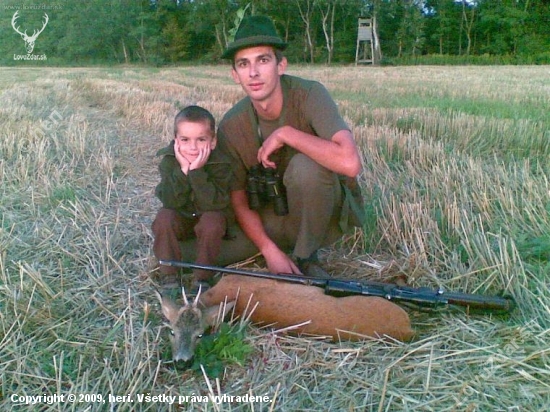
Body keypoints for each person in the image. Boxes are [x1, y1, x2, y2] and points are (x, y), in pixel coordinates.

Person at [217, 15, 365, 276]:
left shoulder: (310, 95)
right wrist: (268, 250)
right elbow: (238, 198)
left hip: (320, 211)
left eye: (263, 60)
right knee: (189, 254)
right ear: (235, 75)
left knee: (307, 167)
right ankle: (280, 249)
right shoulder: (231, 125)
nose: (253, 73)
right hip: (272, 218)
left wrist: (288, 134)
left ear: (281, 65)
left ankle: (306, 256)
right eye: (243, 64)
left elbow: (350, 164)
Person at [151, 105, 232, 291]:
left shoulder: (221, 163)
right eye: (185, 140)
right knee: (164, 217)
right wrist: (183, 171)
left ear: (212, 142)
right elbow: (170, 201)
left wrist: (196, 172)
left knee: (214, 221)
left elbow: (213, 204)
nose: (193, 148)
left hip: (206, 224)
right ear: (176, 141)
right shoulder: (169, 161)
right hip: (182, 221)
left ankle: (202, 278)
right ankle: (169, 275)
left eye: (201, 139)